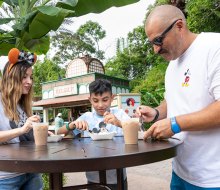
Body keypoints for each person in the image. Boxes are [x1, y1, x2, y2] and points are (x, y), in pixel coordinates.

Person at [136, 4, 220, 189]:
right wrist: (157, 113)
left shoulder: (214, 47)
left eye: (158, 40)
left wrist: (175, 124)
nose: (155, 50)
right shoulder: (172, 65)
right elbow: (174, 99)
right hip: (180, 173)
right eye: (152, 43)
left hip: (213, 178)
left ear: (179, 26)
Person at [57, 79, 130, 189]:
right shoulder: (87, 117)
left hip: (117, 176)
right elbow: (59, 132)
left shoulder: (119, 113)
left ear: (112, 98)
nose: (100, 105)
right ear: (90, 99)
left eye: (105, 100)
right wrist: (72, 125)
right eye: (95, 101)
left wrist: (118, 123)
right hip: (93, 178)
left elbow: (137, 130)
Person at [0, 48, 43, 189]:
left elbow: (23, 137)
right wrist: (23, 129)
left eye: (31, 77)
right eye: (24, 77)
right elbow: (20, 131)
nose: (29, 81)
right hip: (6, 176)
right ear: (11, 77)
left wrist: (39, 132)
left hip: (31, 171)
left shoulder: (22, 104)